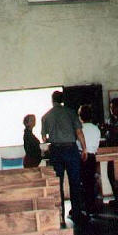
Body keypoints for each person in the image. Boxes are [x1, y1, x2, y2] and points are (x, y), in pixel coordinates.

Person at [41, 91, 88, 227]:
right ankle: (77, 214)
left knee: (58, 184)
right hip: (71, 149)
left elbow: (44, 139)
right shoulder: (71, 113)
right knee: (75, 182)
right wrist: (84, 149)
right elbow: (79, 132)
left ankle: (60, 216)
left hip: (56, 151)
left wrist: (54, 136)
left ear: (52, 100)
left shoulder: (46, 116)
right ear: (62, 100)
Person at [77, 105, 101, 216]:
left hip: (81, 156)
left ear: (80, 116)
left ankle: (84, 208)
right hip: (91, 157)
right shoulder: (96, 128)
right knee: (91, 182)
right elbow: (96, 145)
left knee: (82, 183)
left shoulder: (78, 128)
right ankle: (92, 207)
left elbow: (77, 144)